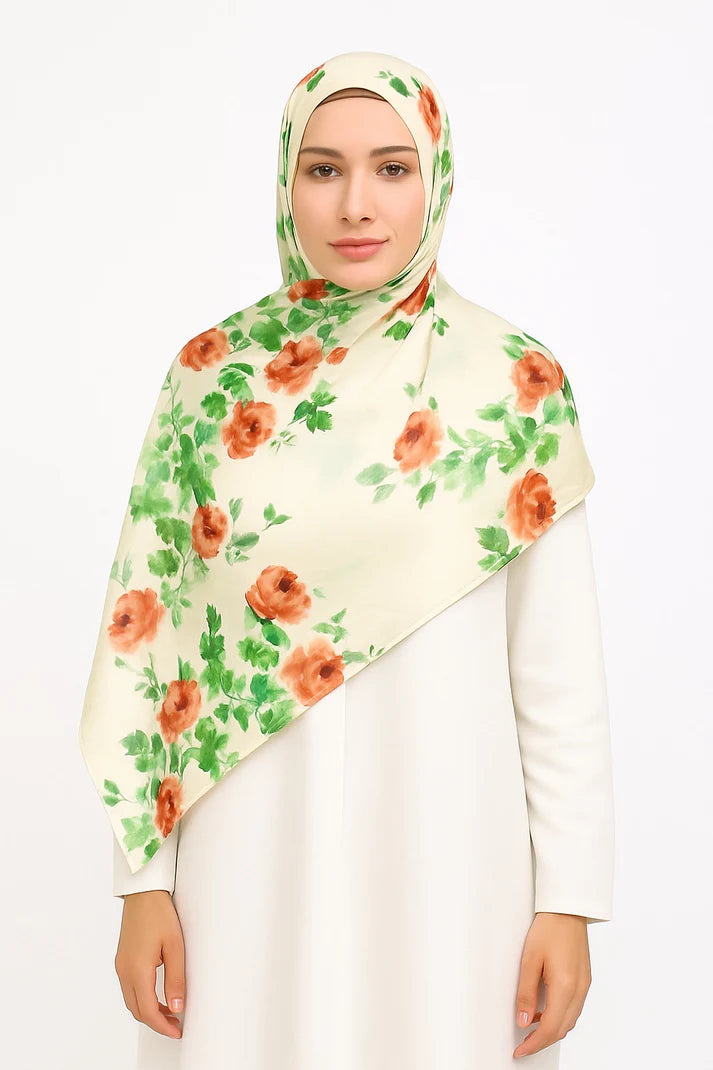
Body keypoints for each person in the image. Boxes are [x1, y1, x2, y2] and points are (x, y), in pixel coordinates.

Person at [84, 50, 614, 1069]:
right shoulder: (209, 379)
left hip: (454, 864)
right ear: (286, 181)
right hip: (242, 865)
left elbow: (556, 673)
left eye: (391, 167)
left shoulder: (513, 383)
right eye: (323, 169)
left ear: (436, 178)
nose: (355, 204)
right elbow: (152, 645)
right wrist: (141, 882)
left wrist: (569, 900)